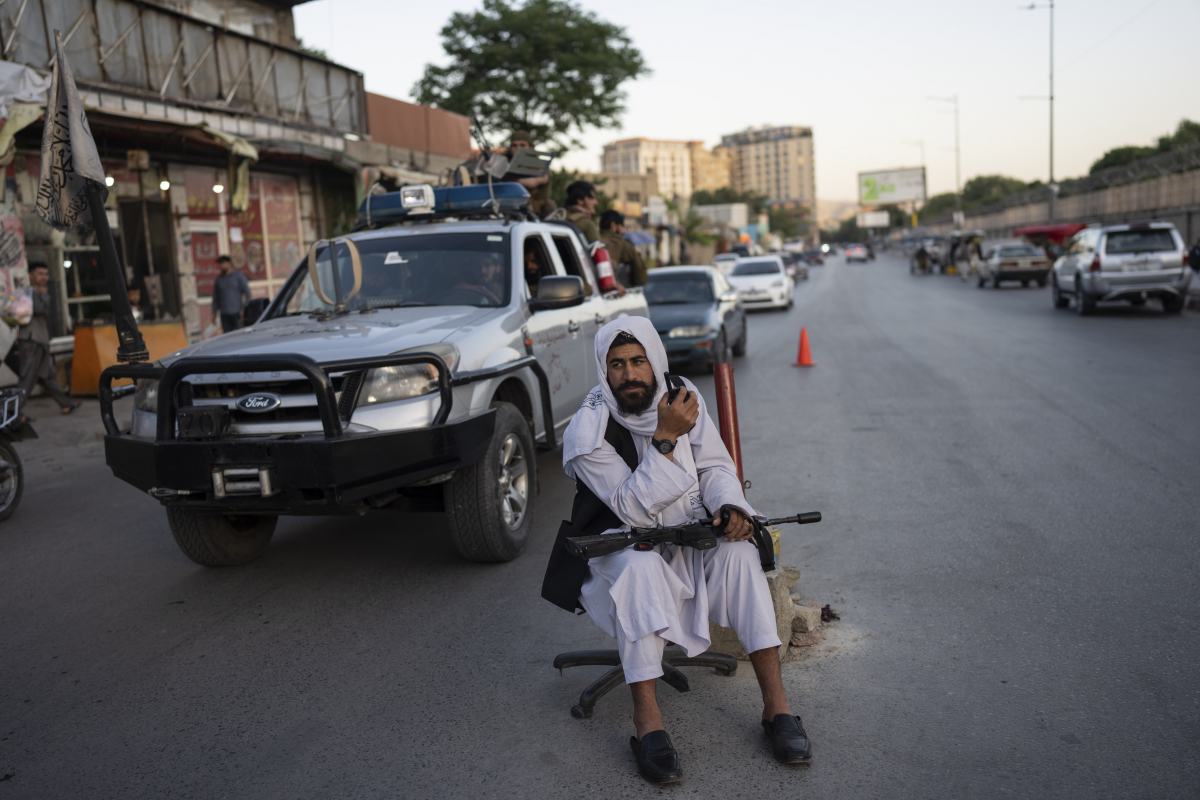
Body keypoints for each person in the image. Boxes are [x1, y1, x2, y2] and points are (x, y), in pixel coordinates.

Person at [544, 317, 812, 784]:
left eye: (638, 361)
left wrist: (729, 507)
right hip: (620, 548)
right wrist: (665, 439)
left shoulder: (683, 395)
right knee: (641, 570)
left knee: (741, 557)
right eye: (617, 365)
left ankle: (777, 709)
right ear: (604, 372)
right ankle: (647, 724)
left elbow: (713, 464)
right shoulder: (587, 432)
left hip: (687, 535)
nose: (629, 374)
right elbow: (632, 508)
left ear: (656, 361)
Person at [16, 262, 79, 419]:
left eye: (46, 274)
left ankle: (66, 404)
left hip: (40, 339)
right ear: (31, 275)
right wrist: (44, 294)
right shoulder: (29, 292)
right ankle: (12, 412)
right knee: (27, 377)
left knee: (48, 376)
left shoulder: (35, 292)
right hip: (32, 340)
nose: (44, 277)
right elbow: (38, 309)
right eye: (40, 274)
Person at [505, 131, 555, 217]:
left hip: (539, 216)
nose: (518, 149)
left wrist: (513, 179)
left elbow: (533, 182)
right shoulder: (505, 164)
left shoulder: (540, 166)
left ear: (531, 147)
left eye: (522, 145)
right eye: (514, 145)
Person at [600, 210, 649, 287]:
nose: (624, 230)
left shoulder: (589, 241)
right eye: (622, 226)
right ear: (613, 225)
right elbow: (642, 279)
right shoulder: (623, 244)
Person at [211, 255, 250, 333]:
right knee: (227, 337)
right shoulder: (219, 280)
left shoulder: (238, 277)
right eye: (219, 264)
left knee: (242, 335)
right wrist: (214, 313)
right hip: (225, 315)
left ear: (229, 263)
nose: (220, 266)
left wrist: (244, 310)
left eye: (222, 263)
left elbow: (248, 294)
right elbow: (216, 298)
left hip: (237, 314)